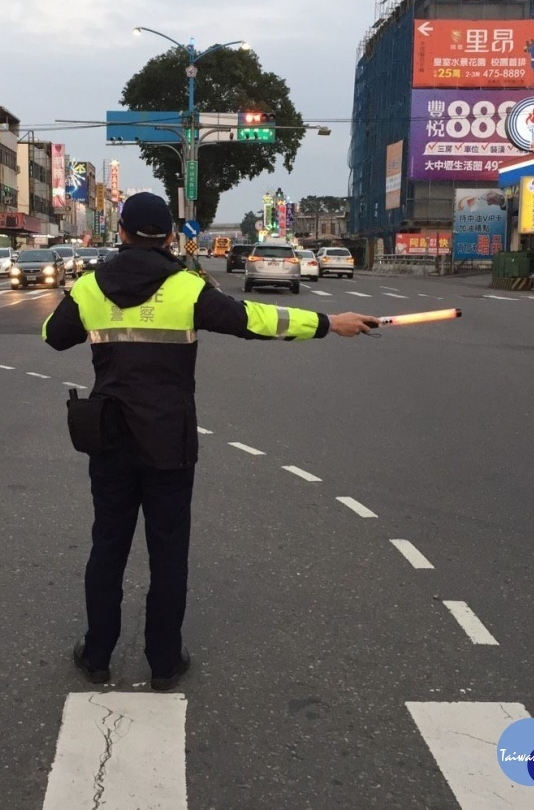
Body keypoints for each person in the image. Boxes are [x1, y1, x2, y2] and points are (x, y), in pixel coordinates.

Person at [42, 192, 379, 691]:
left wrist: (84, 303)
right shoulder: (186, 288)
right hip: (169, 443)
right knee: (168, 552)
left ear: (125, 233)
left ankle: (96, 657)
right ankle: (162, 663)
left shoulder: (92, 287)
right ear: (169, 238)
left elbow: (54, 334)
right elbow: (255, 320)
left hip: (110, 438)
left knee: (107, 547)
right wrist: (329, 323)